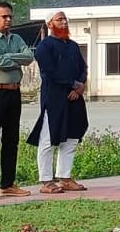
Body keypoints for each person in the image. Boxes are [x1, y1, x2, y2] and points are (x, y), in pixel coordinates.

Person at [0, 1, 35, 200]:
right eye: (4, 16)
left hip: (13, 93)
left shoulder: (16, 38)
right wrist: (14, 60)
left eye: (10, 16)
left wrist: (8, 56)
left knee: (11, 140)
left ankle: (8, 184)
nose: (8, 20)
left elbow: (29, 57)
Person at [28, 11, 89, 193]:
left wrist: (79, 87)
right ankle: (46, 181)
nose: (63, 22)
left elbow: (82, 68)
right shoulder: (44, 47)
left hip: (74, 97)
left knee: (71, 138)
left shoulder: (73, 46)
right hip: (54, 98)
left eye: (65, 19)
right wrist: (72, 85)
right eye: (59, 19)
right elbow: (50, 73)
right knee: (48, 138)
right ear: (49, 23)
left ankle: (65, 177)